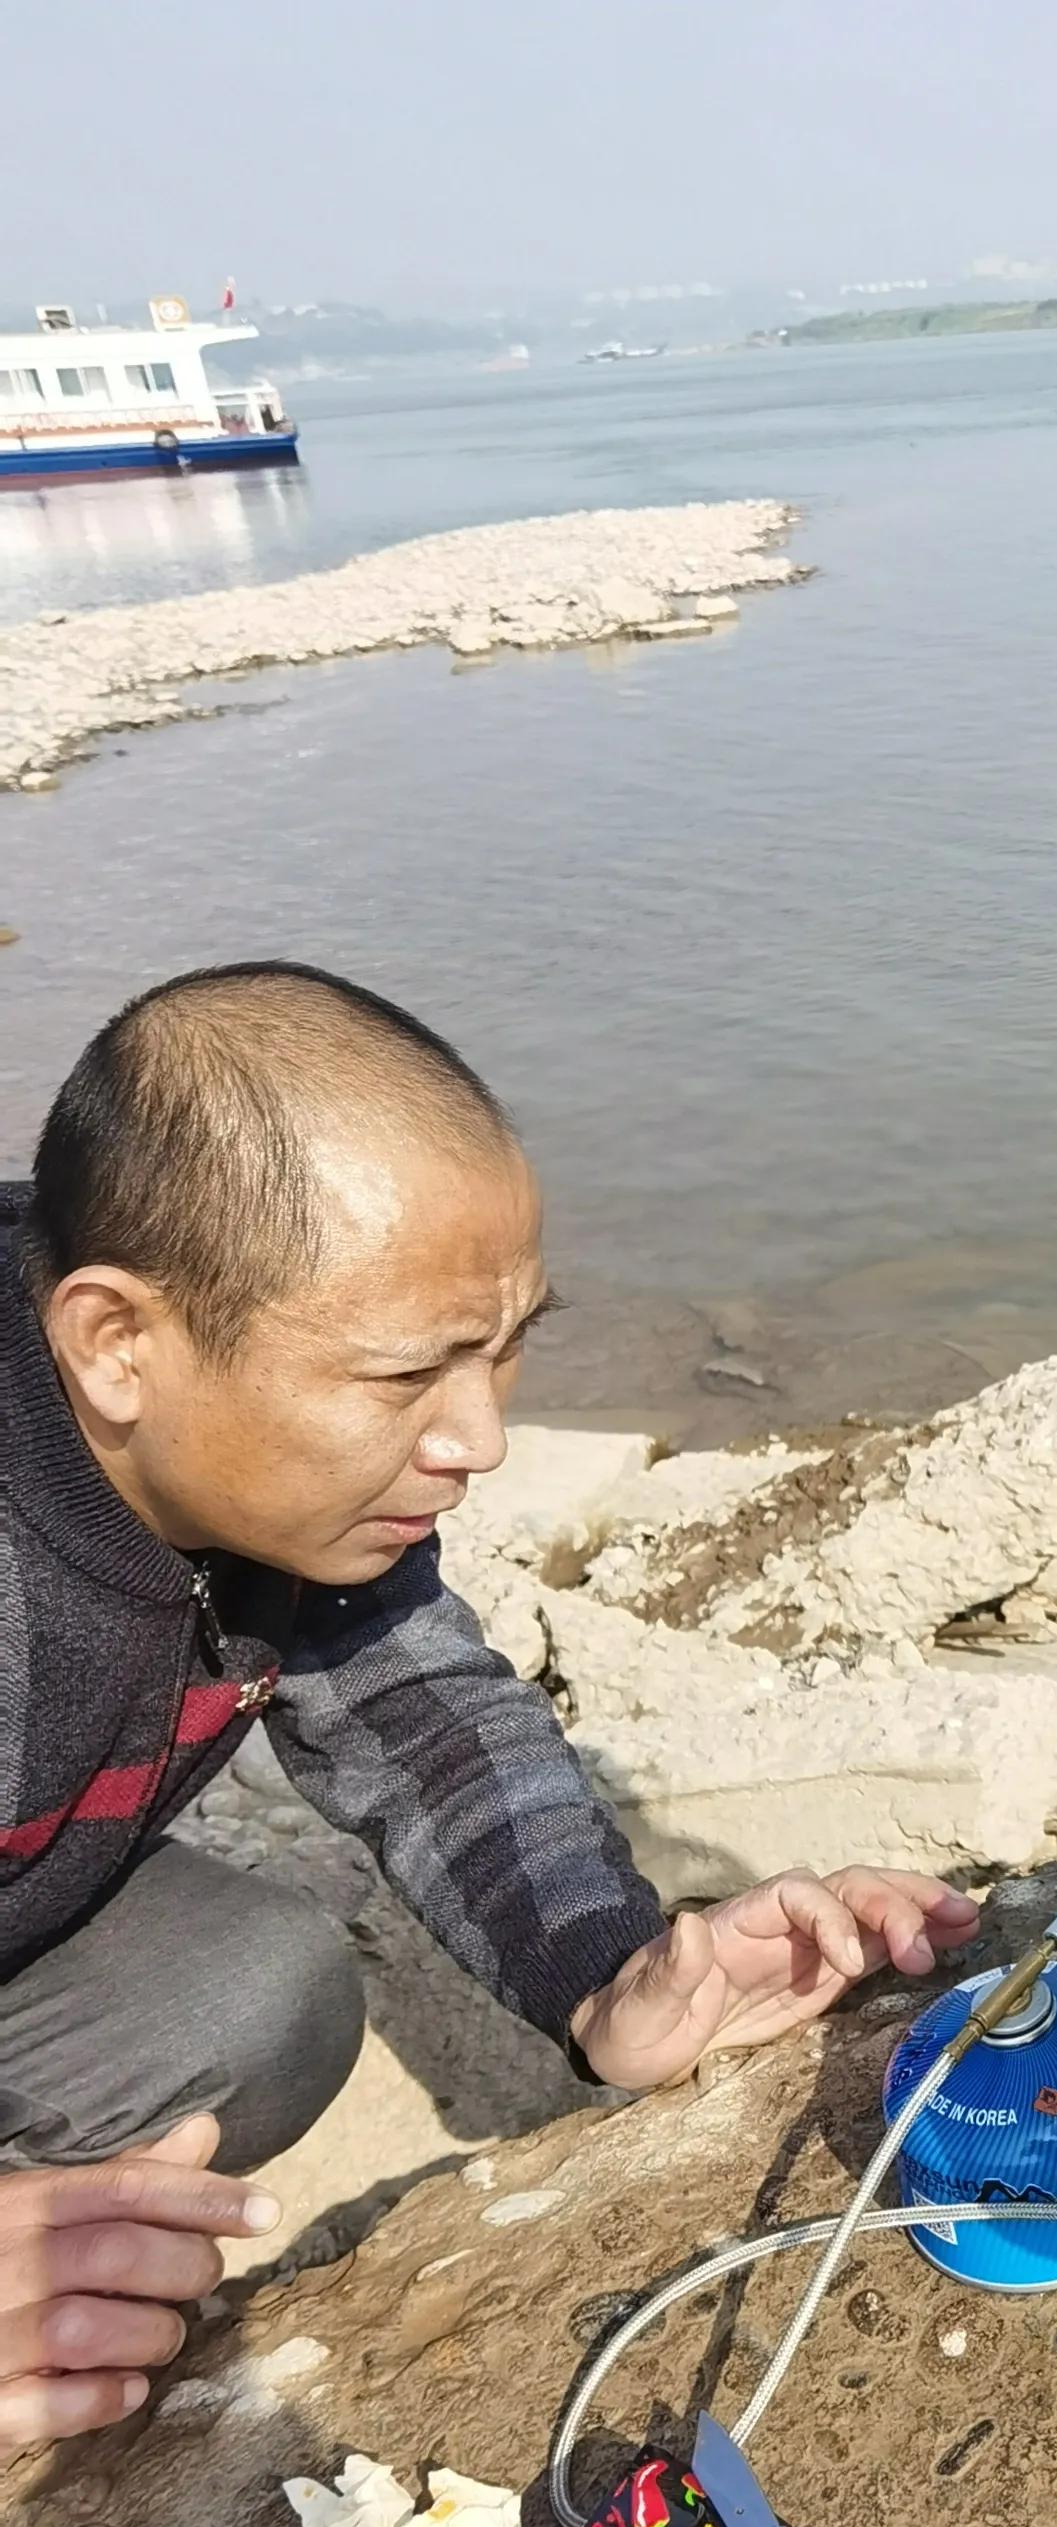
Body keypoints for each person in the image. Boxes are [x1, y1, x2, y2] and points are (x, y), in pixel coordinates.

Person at [0, 962, 976, 2451]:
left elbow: (418, 1710)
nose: (481, 1437)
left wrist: (610, 1971)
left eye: (505, 1345)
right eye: (406, 1375)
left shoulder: (283, 1491)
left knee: (257, 1998)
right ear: (118, 1343)